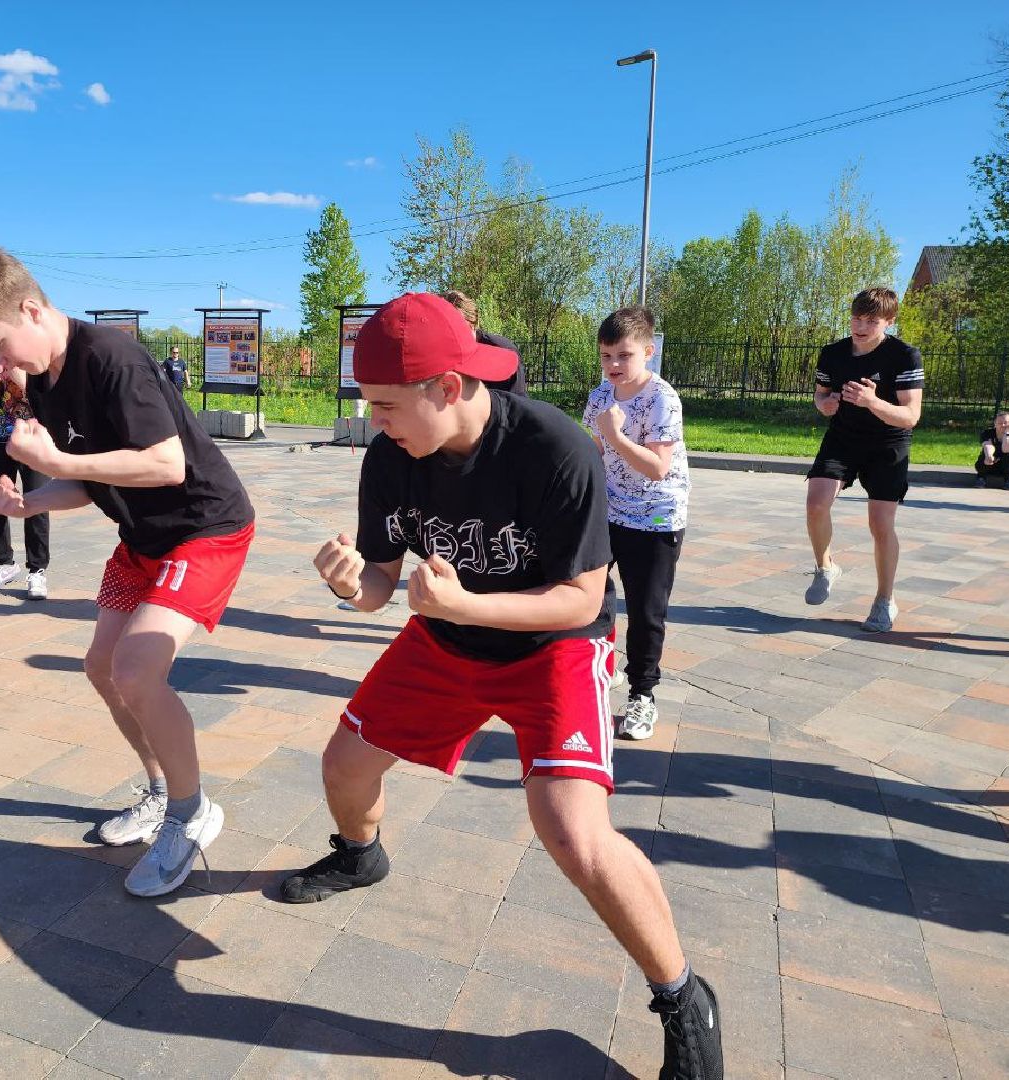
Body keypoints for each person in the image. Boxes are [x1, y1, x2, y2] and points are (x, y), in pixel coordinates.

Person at [281, 292, 722, 1079]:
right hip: (448, 638)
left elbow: (584, 597)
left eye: (385, 405)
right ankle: (359, 854)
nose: (372, 421)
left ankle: (683, 998)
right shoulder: (392, 455)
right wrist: (352, 585)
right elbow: (385, 579)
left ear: (447, 388)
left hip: (552, 645)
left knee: (572, 831)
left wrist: (467, 603)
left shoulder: (553, 446)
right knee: (344, 765)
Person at [0, 244, 255, 898]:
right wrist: (29, 501)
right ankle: (160, 790)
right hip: (141, 536)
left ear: (31, 309)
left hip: (204, 529)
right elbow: (89, 483)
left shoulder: (110, 357)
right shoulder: (44, 380)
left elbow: (166, 464)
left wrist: (56, 463)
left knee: (137, 671)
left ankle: (191, 813)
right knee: (102, 669)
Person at [582, 307, 689, 741]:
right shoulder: (599, 398)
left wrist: (617, 436)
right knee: (585, 591)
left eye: (624, 355)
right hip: (608, 511)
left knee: (646, 611)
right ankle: (598, 666)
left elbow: (658, 468)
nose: (613, 366)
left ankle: (643, 696)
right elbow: (592, 455)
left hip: (656, 517)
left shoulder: (663, 399)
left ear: (648, 351)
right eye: (606, 356)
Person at [804, 287, 924, 633]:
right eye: (857, 318)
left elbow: (911, 415)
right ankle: (826, 567)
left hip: (889, 441)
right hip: (844, 437)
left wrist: (873, 402)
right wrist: (823, 405)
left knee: (880, 524)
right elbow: (821, 394)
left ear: (889, 321)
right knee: (815, 504)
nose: (861, 326)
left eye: (872, 320)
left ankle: (885, 600)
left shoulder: (904, 356)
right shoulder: (833, 353)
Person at [0, 366, 50, 598]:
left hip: (33, 439)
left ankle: (37, 570)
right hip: (1, 436)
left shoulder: (37, 363)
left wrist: (20, 377)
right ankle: (4, 563)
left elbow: (45, 398)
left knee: (36, 501)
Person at [440, 289, 528, 396]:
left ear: (473, 324)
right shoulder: (438, 353)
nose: (452, 339)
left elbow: (516, 403)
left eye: (457, 330)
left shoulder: (502, 352)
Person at [975, 411, 1009, 490]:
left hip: (1006, 467)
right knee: (985, 453)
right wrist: (989, 456)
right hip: (989, 464)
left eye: (1006, 423)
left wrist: (1007, 434)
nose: (1003, 425)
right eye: (1000, 423)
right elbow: (988, 445)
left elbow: (1006, 449)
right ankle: (981, 478)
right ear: (995, 424)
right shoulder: (987, 433)